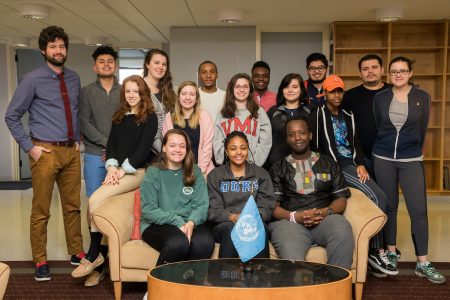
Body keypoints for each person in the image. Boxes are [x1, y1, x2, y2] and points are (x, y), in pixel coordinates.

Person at [5, 26, 84, 281]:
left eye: (61, 46)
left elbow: (76, 111)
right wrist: (30, 147)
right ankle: (40, 260)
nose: (58, 50)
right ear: (43, 50)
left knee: (73, 207)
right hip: (45, 152)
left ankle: (76, 252)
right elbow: (12, 116)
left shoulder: (73, 78)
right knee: (41, 210)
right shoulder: (31, 79)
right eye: (53, 46)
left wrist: (78, 139)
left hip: (71, 152)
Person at [72, 75, 158, 278]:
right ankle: (100, 256)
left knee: (94, 198)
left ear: (143, 93)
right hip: (117, 170)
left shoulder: (150, 117)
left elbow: (143, 150)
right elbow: (111, 145)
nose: (131, 95)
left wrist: (121, 170)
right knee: (95, 206)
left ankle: (93, 254)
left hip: (137, 171)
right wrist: (111, 167)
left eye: (136, 91)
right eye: (127, 91)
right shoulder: (119, 115)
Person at [309, 75, 393, 276]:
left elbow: (356, 143)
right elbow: (314, 147)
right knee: (378, 196)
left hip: (351, 164)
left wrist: (361, 164)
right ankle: (376, 251)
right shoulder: (316, 114)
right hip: (334, 168)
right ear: (325, 93)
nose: (336, 95)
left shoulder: (348, 114)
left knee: (379, 196)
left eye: (339, 91)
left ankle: (374, 251)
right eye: (332, 91)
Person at [373, 57, 446, 284]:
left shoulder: (422, 97)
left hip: (411, 159)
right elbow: (379, 124)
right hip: (383, 157)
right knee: (390, 206)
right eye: (394, 71)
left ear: (411, 73)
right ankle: (392, 253)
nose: (398, 75)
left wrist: (411, 149)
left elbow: (422, 129)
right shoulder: (380, 97)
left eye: (402, 71)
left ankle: (422, 262)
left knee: (418, 211)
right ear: (389, 74)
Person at [269, 117, 354, 270]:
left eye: (302, 133)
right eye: (292, 134)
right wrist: (295, 216)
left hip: (324, 221)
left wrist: (325, 212)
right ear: (286, 139)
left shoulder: (329, 163)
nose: (297, 138)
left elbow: (341, 200)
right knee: (290, 246)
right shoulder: (277, 168)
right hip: (290, 223)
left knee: (342, 228)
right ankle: (300, 291)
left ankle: (336, 288)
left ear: (310, 135)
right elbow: (273, 208)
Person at [140, 129, 215, 266]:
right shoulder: (153, 172)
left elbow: (202, 205)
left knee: (205, 243)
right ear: (164, 147)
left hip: (189, 221)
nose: (178, 150)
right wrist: (177, 221)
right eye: (172, 145)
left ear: (187, 149)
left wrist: (191, 222)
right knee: (178, 243)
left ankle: (188, 285)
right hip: (157, 224)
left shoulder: (195, 171)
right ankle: (159, 287)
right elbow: (149, 210)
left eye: (182, 146)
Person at [78, 45, 121, 286]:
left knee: (114, 207)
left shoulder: (125, 91)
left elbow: (128, 122)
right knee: (94, 206)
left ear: (115, 65)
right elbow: (84, 123)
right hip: (96, 155)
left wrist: (116, 150)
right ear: (95, 66)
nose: (106, 64)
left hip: (119, 158)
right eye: (101, 61)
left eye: (110, 61)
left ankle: (111, 259)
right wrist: (107, 144)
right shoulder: (86, 92)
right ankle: (97, 265)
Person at [208, 131, 275, 258]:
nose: (239, 152)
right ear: (227, 152)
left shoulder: (261, 174)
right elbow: (213, 209)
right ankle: (226, 275)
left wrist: (251, 218)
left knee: (259, 228)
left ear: (248, 150)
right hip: (225, 225)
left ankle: (261, 275)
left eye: (243, 148)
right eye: (233, 149)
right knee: (231, 229)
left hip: (254, 222)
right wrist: (232, 217)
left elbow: (267, 206)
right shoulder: (215, 175)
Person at [341, 54, 390, 179]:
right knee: (366, 195)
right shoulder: (349, 96)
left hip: (389, 156)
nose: (370, 71)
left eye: (374, 67)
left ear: (382, 70)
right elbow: (343, 128)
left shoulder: (394, 92)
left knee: (388, 195)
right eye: (365, 69)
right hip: (362, 157)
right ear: (360, 73)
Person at [213, 73, 272, 167]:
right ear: (232, 89)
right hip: (228, 167)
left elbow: (266, 141)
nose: (241, 90)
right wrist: (223, 161)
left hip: (253, 167)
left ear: (250, 90)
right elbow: (217, 140)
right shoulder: (222, 114)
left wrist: (255, 163)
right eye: (237, 87)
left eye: (245, 86)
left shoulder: (259, 112)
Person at [163, 81, 214, 175]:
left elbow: (207, 147)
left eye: (192, 94)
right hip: (175, 169)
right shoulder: (169, 117)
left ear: (196, 99)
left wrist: (200, 170)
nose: (187, 97)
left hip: (202, 168)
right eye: (184, 94)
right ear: (178, 97)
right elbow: (167, 146)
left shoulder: (204, 116)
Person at [266, 73, 313, 167]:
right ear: (282, 90)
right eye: (286, 87)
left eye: (295, 87)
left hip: (306, 163)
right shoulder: (273, 111)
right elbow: (265, 139)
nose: (290, 90)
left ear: (301, 90)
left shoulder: (311, 110)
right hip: (277, 164)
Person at [143, 49, 176, 152]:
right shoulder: (138, 89)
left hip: (166, 149)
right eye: (156, 63)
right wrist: (164, 152)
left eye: (164, 64)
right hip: (144, 150)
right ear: (147, 64)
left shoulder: (168, 91)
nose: (160, 67)